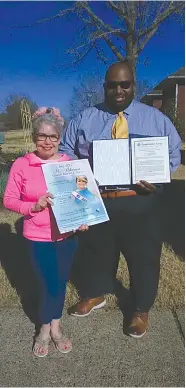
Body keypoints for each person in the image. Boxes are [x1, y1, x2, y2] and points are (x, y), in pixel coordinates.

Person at [59, 61, 181, 338]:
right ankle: (95, 294)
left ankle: (140, 308)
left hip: (141, 200)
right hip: (97, 199)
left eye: (124, 84)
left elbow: (174, 153)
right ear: (105, 86)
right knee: (95, 252)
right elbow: (66, 152)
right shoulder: (84, 119)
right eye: (112, 84)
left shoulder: (155, 119)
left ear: (133, 86)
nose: (118, 90)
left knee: (144, 258)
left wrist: (159, 176)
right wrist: (80, 179)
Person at [3, 107, 88, 357]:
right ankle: (43, 327)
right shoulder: (22, 164)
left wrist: (83, 218)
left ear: (60, 139)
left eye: (53, 136)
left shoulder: (69, 164)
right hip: (37, 237)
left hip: (66, 236)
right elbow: (8, 200)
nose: (47, 141)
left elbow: (81, 195)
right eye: (42, 136)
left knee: (60, 282)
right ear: (34, 138)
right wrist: (33, 206)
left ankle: (56, 327)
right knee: (44, 283)